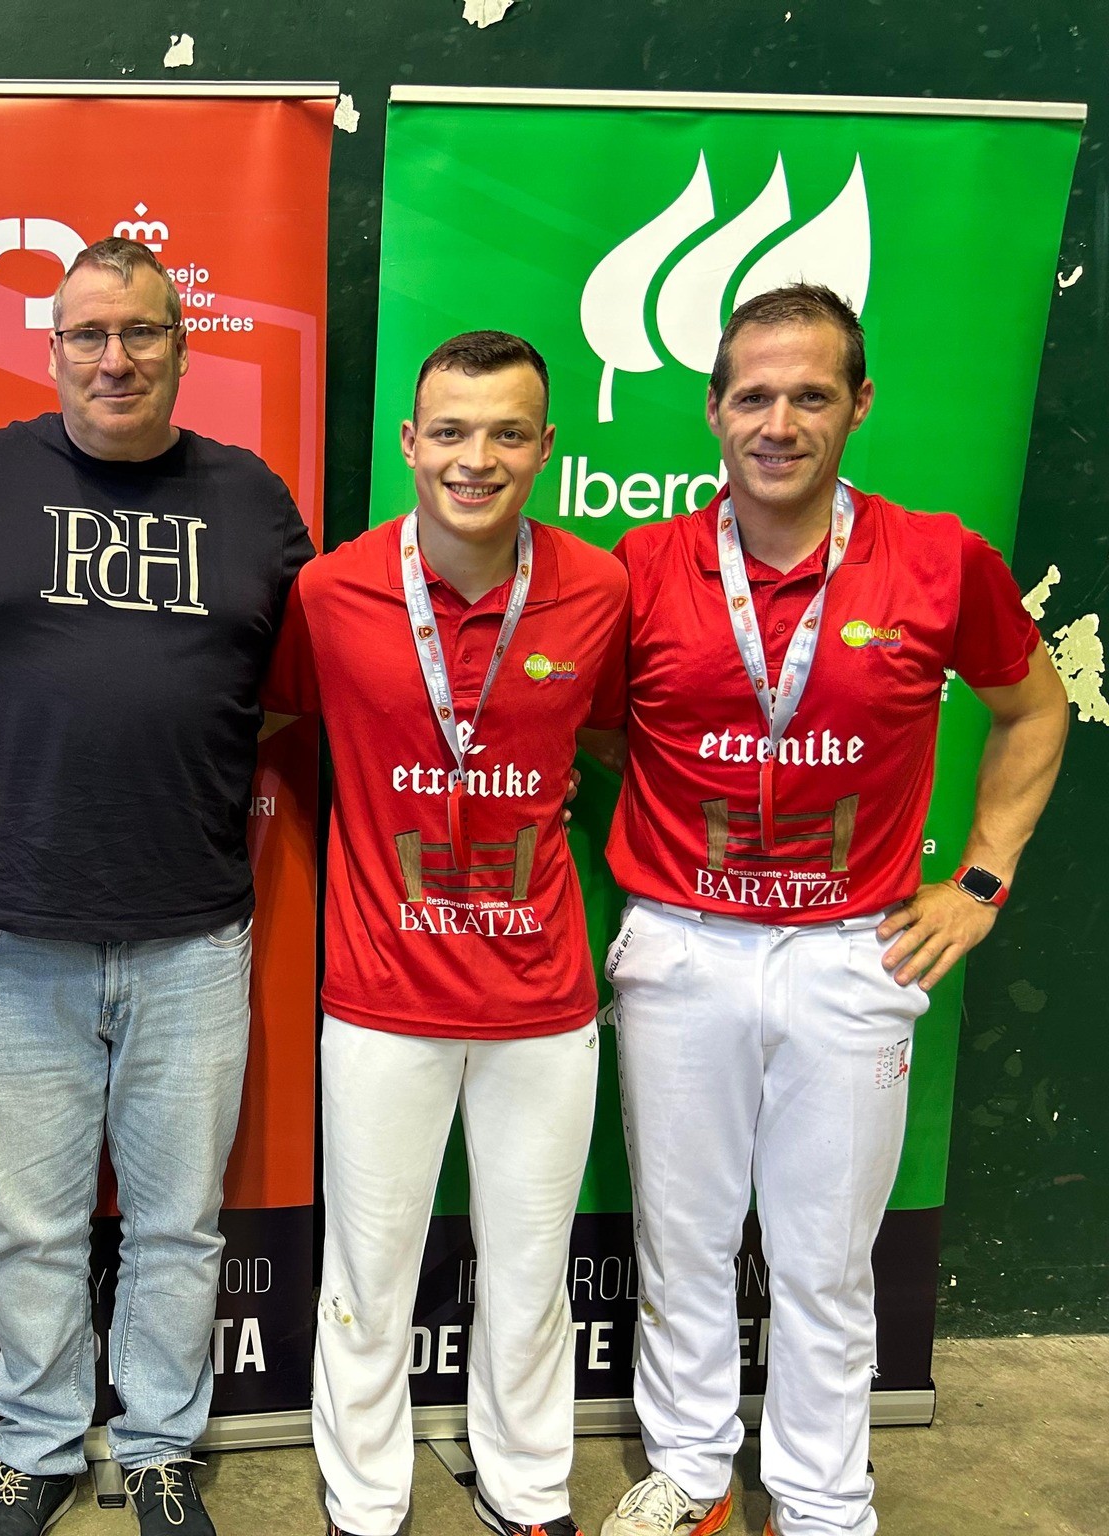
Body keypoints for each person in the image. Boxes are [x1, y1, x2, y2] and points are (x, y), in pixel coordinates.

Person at [592, 284, 1068, 1536]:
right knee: (681, 1240)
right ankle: (691, 1473)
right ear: (711, 412)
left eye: (810, 394)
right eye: (752, 395)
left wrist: (977, 880)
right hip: (680, 945)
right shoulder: (642, 566)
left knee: (819, 1260)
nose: (778, 421)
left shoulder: (935, 557)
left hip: (852, 957)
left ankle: (817, 1498)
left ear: (858, 404)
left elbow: (1034, 708)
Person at [0, 236, 314, 1536]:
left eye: (142, 332)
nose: (116, 357)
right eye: (89, 333)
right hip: (11, 932)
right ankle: (34, 1446)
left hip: (191, 937)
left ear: (182, 350)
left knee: (179, 1228)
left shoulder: (253, 502)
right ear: (54, 349)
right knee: (28, 1229)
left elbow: (300, 699)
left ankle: (158, 1454)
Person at [263, 332, 625, 1536]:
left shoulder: (598, 589)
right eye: (452, 432)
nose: (477, 458)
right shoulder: (328, 592)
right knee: (368, 1281)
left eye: (507, 432)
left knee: (529, 1276)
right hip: (379, 994)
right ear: (410, 444)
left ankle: (526, 1490)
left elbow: (614, 737)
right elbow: (276, 733)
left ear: (544, 447)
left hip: (542, 1001)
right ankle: (366, 1499)